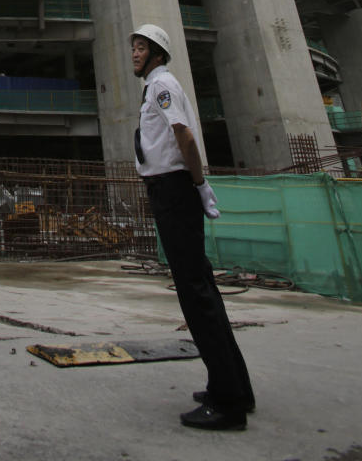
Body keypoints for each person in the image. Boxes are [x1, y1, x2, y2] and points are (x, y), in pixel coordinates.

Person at [131, 22, 255, 431]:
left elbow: (183, 137)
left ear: (158, 54)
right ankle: (235, 385)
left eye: (141, 47)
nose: (134, 53)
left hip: (173, 190)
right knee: (204, 288)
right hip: (174, 189)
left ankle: (228, 402)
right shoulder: (155, 86)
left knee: (195, 294)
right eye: (133, 46)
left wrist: (200, 186)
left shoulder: (162, 86)